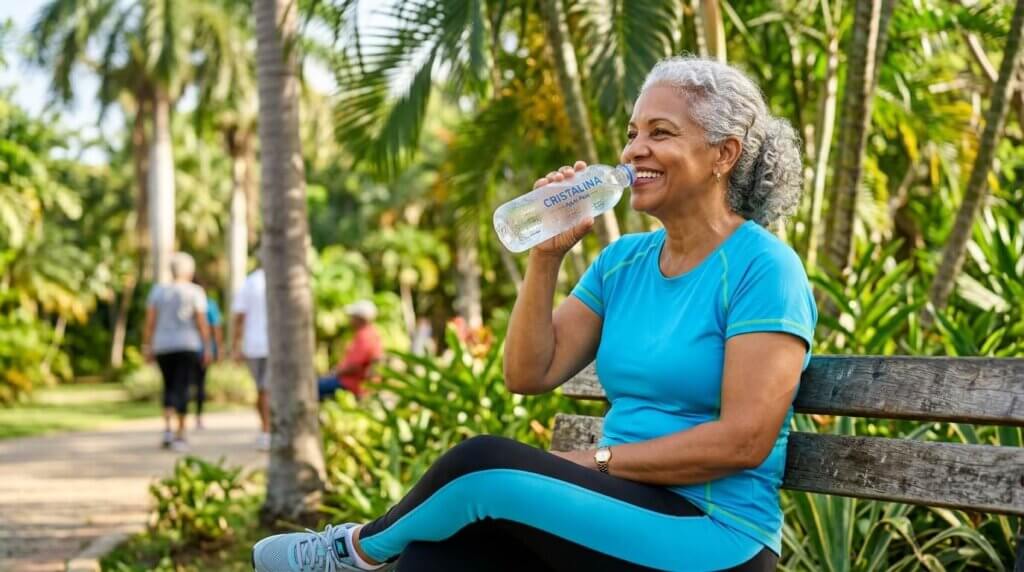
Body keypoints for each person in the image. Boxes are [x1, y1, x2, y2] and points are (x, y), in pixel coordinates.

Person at [252, 56, 817, 572]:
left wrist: (596, 461)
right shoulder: (622, 262)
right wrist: (546, 256)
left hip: (714, 533)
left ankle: (355, 551)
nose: (632, 151)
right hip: (620, 506)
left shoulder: (764, 268)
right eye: (632, 134)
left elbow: (743, 442)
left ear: (724, 154)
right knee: (443, 550)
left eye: (660, 133)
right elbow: (528, 373)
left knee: (482, 461)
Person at [143, 252, 212, 452]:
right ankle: (180, 433)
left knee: (168, 386)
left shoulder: (158, 291)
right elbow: (202, 323)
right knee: (182, 387)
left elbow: (150, 322)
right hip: (187, 345)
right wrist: (207, 347)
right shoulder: (195, 292)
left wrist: (147, 346)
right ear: (189, 271)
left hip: (163, 345)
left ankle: (167, 430)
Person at [232, 265, 271, 451]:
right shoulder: (276, 280)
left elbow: (239, 317)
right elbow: (240, 316)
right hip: (270, 346)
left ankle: (266, 430)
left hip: (254, 346)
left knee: (263, 390)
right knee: (266, 390)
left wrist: (236, 346)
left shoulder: (250, 282)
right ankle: (267, 431)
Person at [318, 300, 384, 401]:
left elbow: (354, 366)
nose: (350, 320)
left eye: (352, 317)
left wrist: (335, 372)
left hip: (352, 384)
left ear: (360, 319)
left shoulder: (365, 337)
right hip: (354, 382)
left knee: (314, 387)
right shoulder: (371, 333)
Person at [193, 277, 225, 429]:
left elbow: (216, 328)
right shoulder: (209, 304)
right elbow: (216, 329)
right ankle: (197, 418)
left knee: (189, 383)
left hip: (196, 348)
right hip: (201, 349)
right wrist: (217, 349)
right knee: (200, 383)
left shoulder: (208, 304)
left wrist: (217, 349)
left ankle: (191, 418)